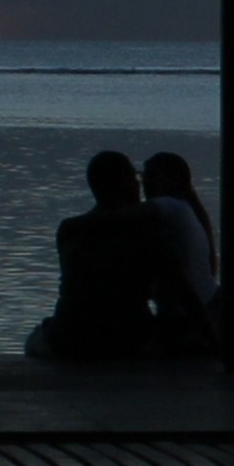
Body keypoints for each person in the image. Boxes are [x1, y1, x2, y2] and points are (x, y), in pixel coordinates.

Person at [26, 151, 166, 360]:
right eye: (134, 177)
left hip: (70, 336)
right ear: (126, 183)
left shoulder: (69, 229)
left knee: (36, 337)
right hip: (131, 338)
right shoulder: (147, 226)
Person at [142, 150, 220, 356]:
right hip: (208, 305)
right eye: (143, 177)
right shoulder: (189, 210)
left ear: (173, 180)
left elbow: (124, 214)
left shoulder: (168, 206)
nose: (145, 183)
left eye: (151, 176)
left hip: (187, 320)